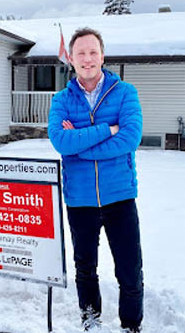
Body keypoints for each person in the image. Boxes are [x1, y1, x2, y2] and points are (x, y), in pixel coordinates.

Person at [48, 27, 144, 332]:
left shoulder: (125, 93)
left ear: (102, 55)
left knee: (129, 268)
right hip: (80, 198)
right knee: (85, 268)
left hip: (120, 196)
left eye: (93, 52)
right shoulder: (61, 100)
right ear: (71, 58)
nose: (87, 59)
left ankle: (130, 325)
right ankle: (90, 316)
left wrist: (81, 144)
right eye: (81, 53)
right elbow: (61, 143)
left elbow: (130, 137)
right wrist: (107, 129)